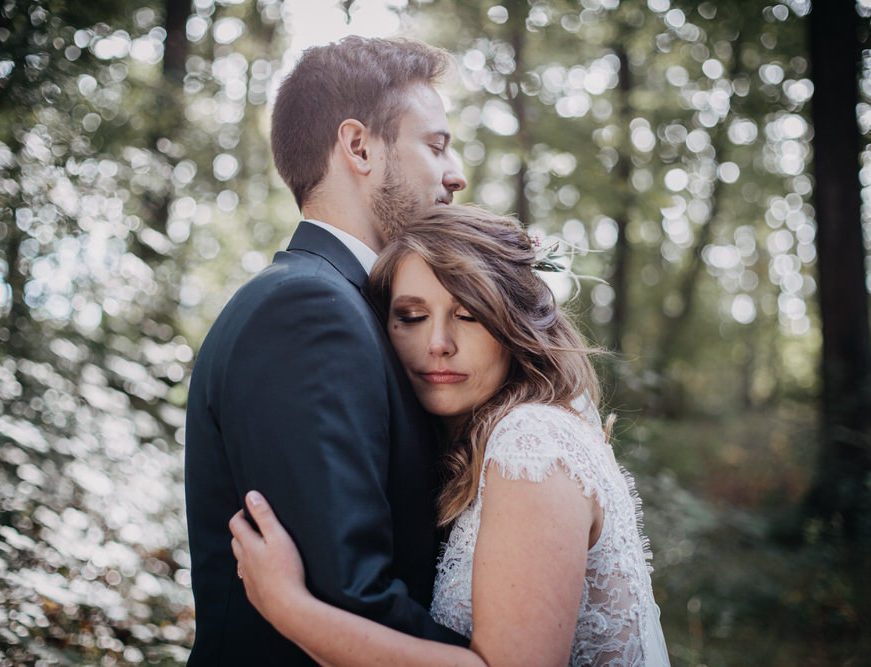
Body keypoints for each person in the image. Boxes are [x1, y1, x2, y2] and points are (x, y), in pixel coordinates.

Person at [229, 205, 671, 666]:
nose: (438, 342)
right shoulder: (472, 444)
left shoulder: (531, 441)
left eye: (468, 315)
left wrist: (288, 608)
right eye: (413, 317)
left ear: (513, 326)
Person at [184, 36, 468, 665]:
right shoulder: (309, 312)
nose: (457, 174)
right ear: (358, 146)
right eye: (437, 144)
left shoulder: (347, 305)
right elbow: (348, 595)